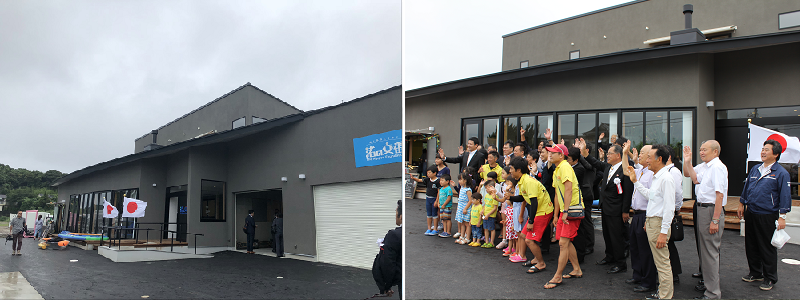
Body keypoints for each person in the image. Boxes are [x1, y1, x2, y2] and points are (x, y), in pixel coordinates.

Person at [738, 139, 791, 291]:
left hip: (767, 215)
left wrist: (782, 216)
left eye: (767, 150)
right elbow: (746, 187)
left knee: (767, 247)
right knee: (751, 244)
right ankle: (755, 272)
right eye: (762, 149)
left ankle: (770, 278)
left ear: (776, 154)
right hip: (752, 212)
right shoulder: (755, 169)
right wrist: (742, 203)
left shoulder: (781, 173)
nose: (763, 152)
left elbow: (785, 196)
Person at [626, 144, 676, 299]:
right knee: (659, 262)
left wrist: (662, 232)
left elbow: (669, 208)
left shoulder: (666, 178)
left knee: (662, 264)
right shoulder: (658, 176)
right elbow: (651, 197)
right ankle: (662, 293)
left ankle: (665, 295)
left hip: (659, 224)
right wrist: (635, 181)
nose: (646, 160)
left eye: (649, 157)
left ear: (659, 159)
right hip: (653, 222)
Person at [683, 141, 728, 299]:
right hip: (702, 209)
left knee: (710, 254)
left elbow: (719, 195)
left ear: (715, 152)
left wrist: (715, 220)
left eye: (705, 150)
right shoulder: (707, 166)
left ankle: (713, 293)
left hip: (710, 211)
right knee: (706, 253)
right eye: (700, 150)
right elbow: (693, 178)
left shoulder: (717, 167)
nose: (701, 152)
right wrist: (687, 161)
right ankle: (709, 287)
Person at [580, 139, 633, 274]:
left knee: (617, 236)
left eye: (610, 153)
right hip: (606, 207)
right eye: (607, 153)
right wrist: (585, 152)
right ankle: (609, 256)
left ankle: (620, 263)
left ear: (618, 156)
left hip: (617, 209)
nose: (607, 155)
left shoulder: (625, 169)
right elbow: (595, 163)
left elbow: (627, 193)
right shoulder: (608, 167)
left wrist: (625, 211)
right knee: (607, 235)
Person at [541, 144, 584, 289]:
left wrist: (564, 212)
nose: (550, 155)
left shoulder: (565, 167)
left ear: (561, 155)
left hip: (571, 211)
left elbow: (568, 190)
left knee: (563, 243)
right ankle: (577, 269)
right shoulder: (557, 169)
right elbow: (557, 194)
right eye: (549, 153)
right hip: (565, 211)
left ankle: (557, 276)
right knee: (565, 241)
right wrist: (556, 214)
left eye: (553, 153)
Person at [506, 156, 554, 273]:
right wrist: (511, 197)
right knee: (523, 235)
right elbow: (523, 197)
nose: (510, 171)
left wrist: (531, 221)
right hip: (538, 211)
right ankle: (536, 259)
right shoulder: (523, 180)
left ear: (518, 170)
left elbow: (534, 202)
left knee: (529, 240)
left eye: (511, 168)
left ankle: (541, 263)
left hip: (543, 212)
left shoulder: (528, 181)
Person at [622, 142, 658, 294]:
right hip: (636, 214)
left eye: (644, 153)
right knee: (635, 247)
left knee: (645, 250)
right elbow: (625, 170)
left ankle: (648, 281)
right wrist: (625, 153)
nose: (640, 155)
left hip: (646, 214)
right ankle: (638, 275)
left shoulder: (652, 174)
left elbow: (652, 198)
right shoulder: (641, 170)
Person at [565, 144, 595, 264]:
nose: (567, 161)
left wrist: (580, 152)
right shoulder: (574, 165)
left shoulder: (582, 167)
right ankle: (583, 246)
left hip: (585, 197)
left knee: (586, 221)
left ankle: (589, 245)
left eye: (569, 159)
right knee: (582, 224)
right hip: (578, 198)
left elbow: (589, 165)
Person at [372, 200, 402, 298]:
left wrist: (385, 286)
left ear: (401, 217)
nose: (395, 215)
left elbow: (387, 263)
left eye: (396, 212)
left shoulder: (394, 235)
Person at [665, 152, 684, 283]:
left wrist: (676, 209)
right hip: (664, 211)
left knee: (669, 243)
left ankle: (674, 272)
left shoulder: (674, 171)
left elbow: (678, 193)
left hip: (670, 211)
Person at [410, 165, 441, 236]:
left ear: (434, 173)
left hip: (434, 199)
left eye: (430, 173)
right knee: (428, 214)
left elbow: (439, 191)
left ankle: (435, 229)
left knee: (435, 214)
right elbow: (420, 180)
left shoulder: (438, 181)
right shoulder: (427, 179)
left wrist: (437, 201)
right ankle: (429, 228)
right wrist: (413, 178)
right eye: (427, 173)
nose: (428, 174)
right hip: (428, 198)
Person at [454, 173, 474, 244]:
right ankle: (462, 236)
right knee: (461, 222)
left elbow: (470, 200)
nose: (459, 181)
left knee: (467, 223)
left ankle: (467, 238)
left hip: (465, 207)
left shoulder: (468, 189)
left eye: (460, 179)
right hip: (460, 206)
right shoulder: (462, 188)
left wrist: (465, 208)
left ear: (465, 180)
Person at [481, 180, 500, 248]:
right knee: (485, 228)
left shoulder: (494, 196)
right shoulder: (486, 195)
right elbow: (485, 204)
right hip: (485, 215)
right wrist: (482, 210)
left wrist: (488, 214)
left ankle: (491, 242)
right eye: (485, 188)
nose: (486, 190)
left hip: (491, 215)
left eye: (487, 188)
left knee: (491, 229)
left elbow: (495, 208)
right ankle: (486, 241)